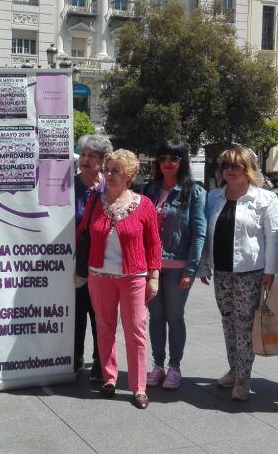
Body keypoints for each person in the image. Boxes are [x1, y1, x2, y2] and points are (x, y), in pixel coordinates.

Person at [76, 149, 161, 409]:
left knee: (136, 331)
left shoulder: (144, 204)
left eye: (116, 171)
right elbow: (81, 233)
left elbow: (154, 244)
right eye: (107, 170)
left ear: (130, 176)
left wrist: (154, 276)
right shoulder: (94, 201)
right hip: (99, 276)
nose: (109, 175)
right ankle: (109, 378)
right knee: (104, 327)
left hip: (134, 276)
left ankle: (138, 387)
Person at [198, 147, 278, 401]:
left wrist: (271, 271)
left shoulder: (265, 199)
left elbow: (274, 237)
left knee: (245, 325)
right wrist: (204, 265)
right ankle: (234, 368)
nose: (230, 171)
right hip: (222, 270)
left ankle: (243, 378)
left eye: (236, 166)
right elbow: (204, 233)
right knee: (227, 320)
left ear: (249, 170)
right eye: (226, 166)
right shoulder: (214, 196)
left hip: (250, 272)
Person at [143, 140, 207, 389]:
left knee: (175, 316)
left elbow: (199, 233)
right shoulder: (149, 190)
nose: (167, 163)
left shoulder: (195, 192)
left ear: (182, 161)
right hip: (152, 268)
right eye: (162, 158)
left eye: (174, 158)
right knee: (155, 317)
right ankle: (158, 365)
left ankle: (175, 367)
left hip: (179, 267)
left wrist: (191, 269)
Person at [73, 134, 112, 381]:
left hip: (103, 262)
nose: (85, 160)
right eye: (83, 154)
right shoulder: (67, 184)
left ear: (103, 160)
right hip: (73, 262)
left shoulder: (110, 186)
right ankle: (75, 359)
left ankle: (101, 361)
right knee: (76, 314)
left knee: (101, 316)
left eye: (92, 156)